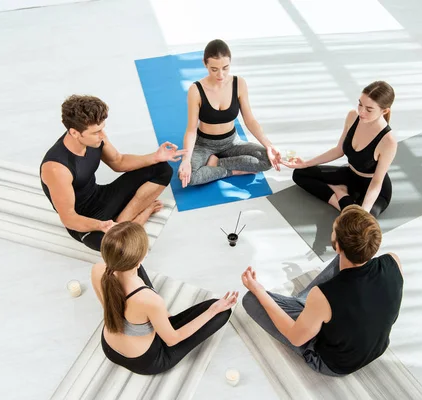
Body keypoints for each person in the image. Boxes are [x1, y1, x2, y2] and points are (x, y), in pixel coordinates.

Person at [241, 205, 403, 376]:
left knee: (251, 299)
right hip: (375, 348)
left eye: (333, 231)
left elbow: (295, 338)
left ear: (337, 245)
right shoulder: (393, 261)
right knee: (341, 261)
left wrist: (258, 290)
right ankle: (312, 313)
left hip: (333, 363)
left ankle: (311, 313)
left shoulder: (323, 296)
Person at [40, 95, 185, 251]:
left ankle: (122, 224)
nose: (102, 135)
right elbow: (69, 218)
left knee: (162, 169)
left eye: (102, 128)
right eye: (96, 132)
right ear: (75, 133)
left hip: (101, 196)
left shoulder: (94, 139)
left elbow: (118, 161)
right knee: (116, 248)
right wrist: (102, 225)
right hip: (84, 219)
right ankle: (139, 217)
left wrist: (155, 157)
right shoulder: (57, 168)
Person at [91, 222, 238, 375]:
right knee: (221, 311)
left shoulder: (97, 271)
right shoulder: (150, 300)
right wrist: (213, 311)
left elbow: (111, 306)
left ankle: (160, 320)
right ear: (141, 257)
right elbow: (172, 339)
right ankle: (163, 321)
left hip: (109, 348)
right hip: (145, 362)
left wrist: (117, 238)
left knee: (141, 283)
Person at [283, 81, 396, 217]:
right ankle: (342, 198)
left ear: (385, 111)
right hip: (350, 175)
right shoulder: (353, 117)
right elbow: (339, 150)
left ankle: (341, 194)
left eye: (369, 109)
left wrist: (363, 212)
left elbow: (376, 183)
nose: (361, 111)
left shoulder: (388, 141)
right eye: (360, 104)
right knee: (300, 173)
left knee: (363, 218)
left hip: (372, 187)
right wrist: (306, 163)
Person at [178, 39, 280, 187]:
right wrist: (186, 160)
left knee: (267, 159)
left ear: (230, 62)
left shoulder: (239, 83)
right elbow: (191, 129)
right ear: (204, 63)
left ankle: (217, 163)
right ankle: (233, 171)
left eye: (225, 68)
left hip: (232, 142)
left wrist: (269, 146)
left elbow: (250, 120)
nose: (221, 74)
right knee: (188, 177)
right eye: (214, 69)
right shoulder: (196, 90)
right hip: (204, 145)